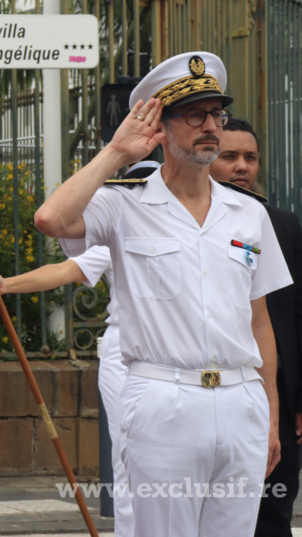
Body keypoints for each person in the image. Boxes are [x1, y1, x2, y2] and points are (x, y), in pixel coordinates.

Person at [33, 51, 291, 536]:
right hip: (163, 398)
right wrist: (117, 152)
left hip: (241, 401)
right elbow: (52, 220)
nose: (210, 126)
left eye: (217, 113)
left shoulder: (248, 213)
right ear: (161, 129)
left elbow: (260, 321)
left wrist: (271, 416)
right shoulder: (122, 203)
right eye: (195, 115)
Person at [0, 161, 158, 537]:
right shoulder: (120, 234)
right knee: (130, 450)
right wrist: (7, 285)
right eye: (136, 188)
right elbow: (64, 270)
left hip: (186, 360)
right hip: (127, 351)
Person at [210, 118, 302, 537]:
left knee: (272, 515)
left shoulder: (283, 225)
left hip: (273, 398)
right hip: (208, 391)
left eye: (250, 157)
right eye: (229, 157)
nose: (242, 167)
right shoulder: (185, 225)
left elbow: (295, 317)